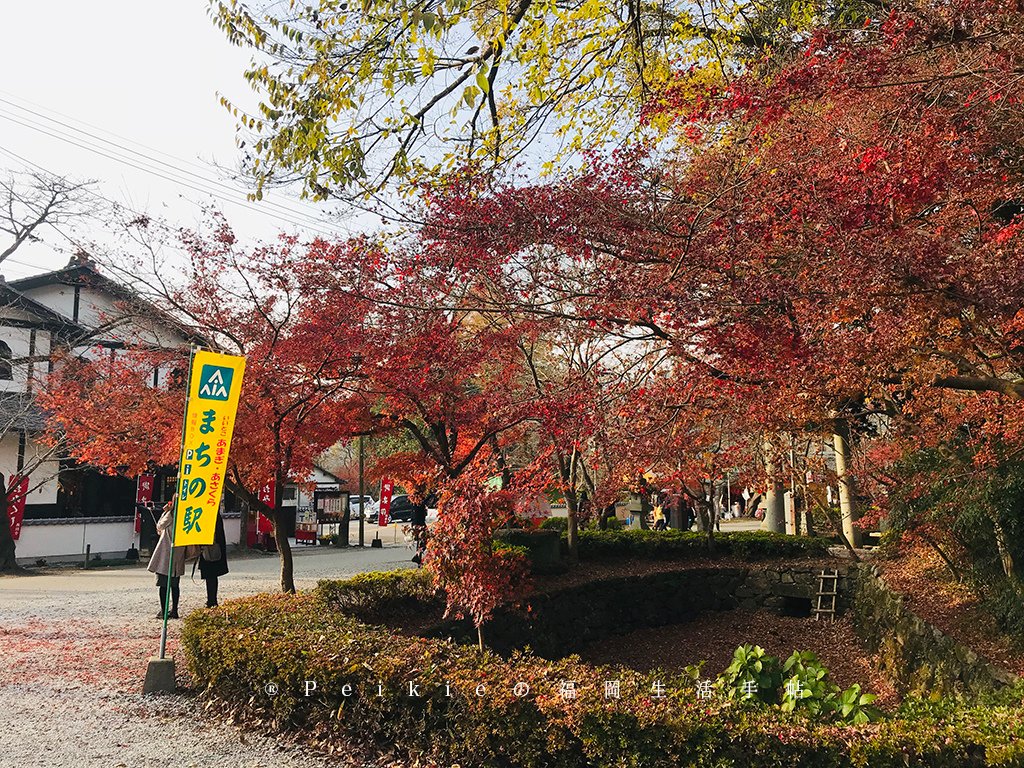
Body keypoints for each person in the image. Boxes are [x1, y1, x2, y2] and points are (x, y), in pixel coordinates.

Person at [147, 501, 187, 619]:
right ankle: (174, 610)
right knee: (175, 584)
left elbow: (159, 526)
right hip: (178, 552)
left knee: (163, 584)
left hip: (166, 552)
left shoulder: (171, 515)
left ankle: (164, 611)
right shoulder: (185, 515)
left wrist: (165, 512)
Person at [198, 513, 229, 608]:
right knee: (211, 576)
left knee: (210, 576)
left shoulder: (210, 515)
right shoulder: (215, 515)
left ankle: (212, 600)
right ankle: (212, 599)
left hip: (210, 548)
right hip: (213, 547)